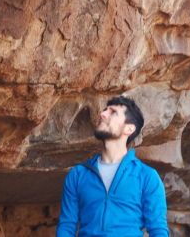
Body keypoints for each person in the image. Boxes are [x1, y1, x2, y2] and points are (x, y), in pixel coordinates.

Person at [56, 96, 169, 237]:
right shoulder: (77, 174)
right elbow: (66, 226)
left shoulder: (147, 177)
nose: (102, 114)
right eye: (105, 110)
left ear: (129, 128)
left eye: (113, 112)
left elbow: (158, 230)